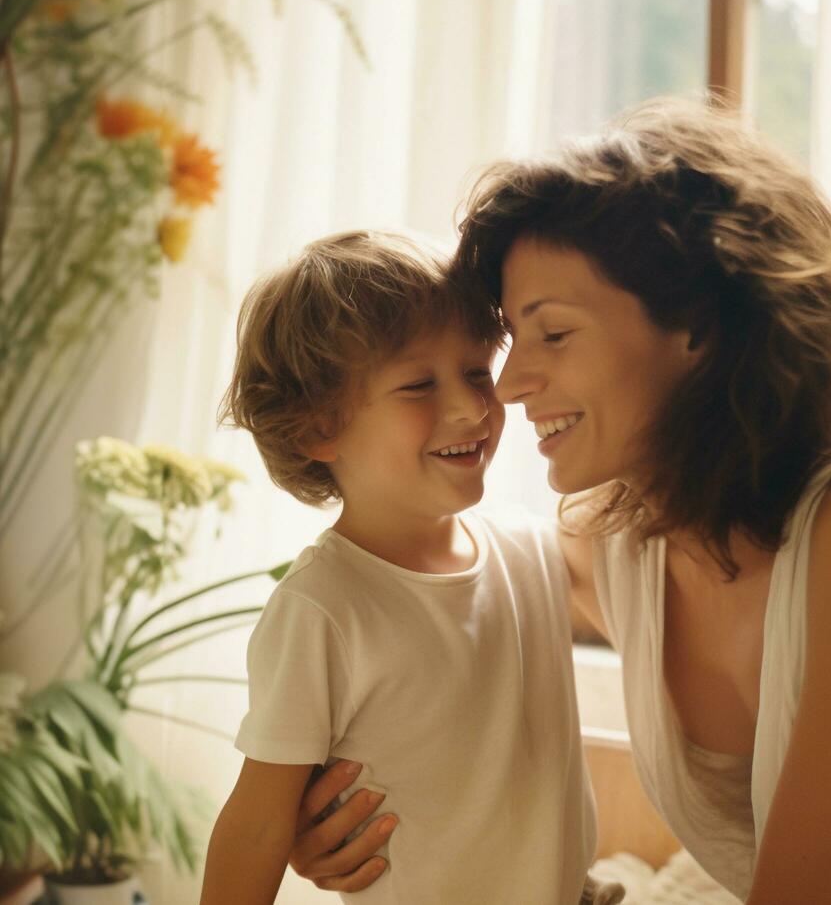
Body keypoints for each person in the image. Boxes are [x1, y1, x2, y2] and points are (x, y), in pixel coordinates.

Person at [289, 102, 831, 904]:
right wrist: (318, 813)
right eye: (513, 342)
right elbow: (405, 602)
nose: (510, 385)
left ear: (699, 331)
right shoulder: (616, 542)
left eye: (553, 333)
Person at [200, 230, 622, 904]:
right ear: (317, 427)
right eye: (420, 383)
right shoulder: (322, 608)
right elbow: (257, 824)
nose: (471, 407)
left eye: (479, 371)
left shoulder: (534, 550)